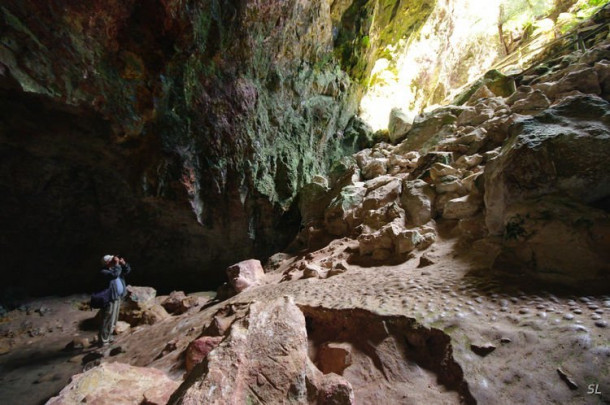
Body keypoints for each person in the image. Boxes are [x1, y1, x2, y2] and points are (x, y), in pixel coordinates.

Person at [98, 254, 131, 347]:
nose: (114, 260)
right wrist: (117, 264)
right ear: (107, 262)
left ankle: (109, 335)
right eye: (111, 260)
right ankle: (103, 340)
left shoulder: (115, 268)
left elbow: (127, 271)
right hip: (109, 299)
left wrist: (123, 264)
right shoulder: (104, 272)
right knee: (107, 318)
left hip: (117, 297)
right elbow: (114, 275)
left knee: (114, 319)